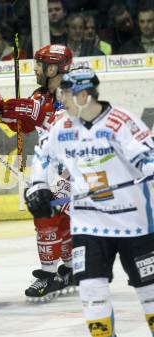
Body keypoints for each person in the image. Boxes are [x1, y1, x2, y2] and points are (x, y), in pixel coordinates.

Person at [26, 66, 154, 337]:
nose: (62, 100)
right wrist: (37, 187)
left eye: (67, 94)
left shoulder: (121, 122)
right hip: (88, 224)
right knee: (92, 294)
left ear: (84, 95)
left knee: (150, 294)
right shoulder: (62, 125)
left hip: (133, 222)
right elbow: (42, 155)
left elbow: (148, 157)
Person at [0, 44, 75, 302]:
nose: (35, 69)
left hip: (73, 170)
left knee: (45, 215)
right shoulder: (40, 95)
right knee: (57, 217)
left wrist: (38, 115)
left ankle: (48, 274)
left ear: (52, 68)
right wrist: (12, 115)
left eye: (39, 65)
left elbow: (67, 129)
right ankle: (68, 268)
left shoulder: (74, 93)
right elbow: (25, 120)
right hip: (51, 168)